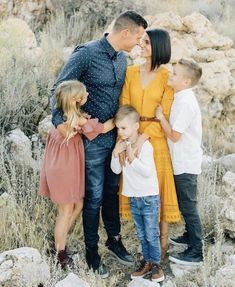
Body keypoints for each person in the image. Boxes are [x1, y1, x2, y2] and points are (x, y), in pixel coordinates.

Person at [50, 11, 148, 276]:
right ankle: (92, 253)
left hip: (115, 139)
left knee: (112, 192)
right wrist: (61, 122)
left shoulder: (122, 58)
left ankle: (114, 240)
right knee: (93, 198)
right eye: (138, 36)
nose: (139, 42)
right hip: (91, 141)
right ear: (125, 33)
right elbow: (58, 88)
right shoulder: (87, 54)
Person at [39, 80, 114, 269]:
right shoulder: (76, 121)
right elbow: (104, 128)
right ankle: (59, 252)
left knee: (78, 204)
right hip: (64, 168)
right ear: (75, 100)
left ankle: (59, 243)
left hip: (60, 164)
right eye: (84, 94)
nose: (87, 95)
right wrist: (120, 117)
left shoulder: (64, 116)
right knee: (65, 211)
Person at [120, 28, 181, 258]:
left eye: (146, 42)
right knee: (138, 187)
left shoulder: (167, 77)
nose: (141, 45)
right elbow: (124, 106)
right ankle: (145, 245)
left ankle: (162, 245)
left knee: (160, 189)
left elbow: (163, 113)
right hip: (131, 134)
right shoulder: (130, 72)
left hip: (156, 141)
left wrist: (143, 138)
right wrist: (126, 139)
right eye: (141, 41)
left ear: (159, 47)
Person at [156, 58, 203, 265]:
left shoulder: (185, 102)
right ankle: (189, 236)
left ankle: (197, 251)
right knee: (185, 204)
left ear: (185, 81)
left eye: (174, 74)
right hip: (181, 160)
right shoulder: (180, 96)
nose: (170, 76)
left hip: (185, 162)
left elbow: (175, 135)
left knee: (189, 207)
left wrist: (160, 117)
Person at [111, 105, 165, 283]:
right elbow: (116, 169)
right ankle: (147, 262)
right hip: (134, 197)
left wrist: (131, 157)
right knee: (141, 234)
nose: (120, 131)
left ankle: (156, 264)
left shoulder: (145, 147)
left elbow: (147, 172)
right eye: (118, 128)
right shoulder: (121, 145)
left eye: (124, 128)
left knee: (151, 233)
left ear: (136, 126)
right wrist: (115, 153)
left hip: (149, 197)